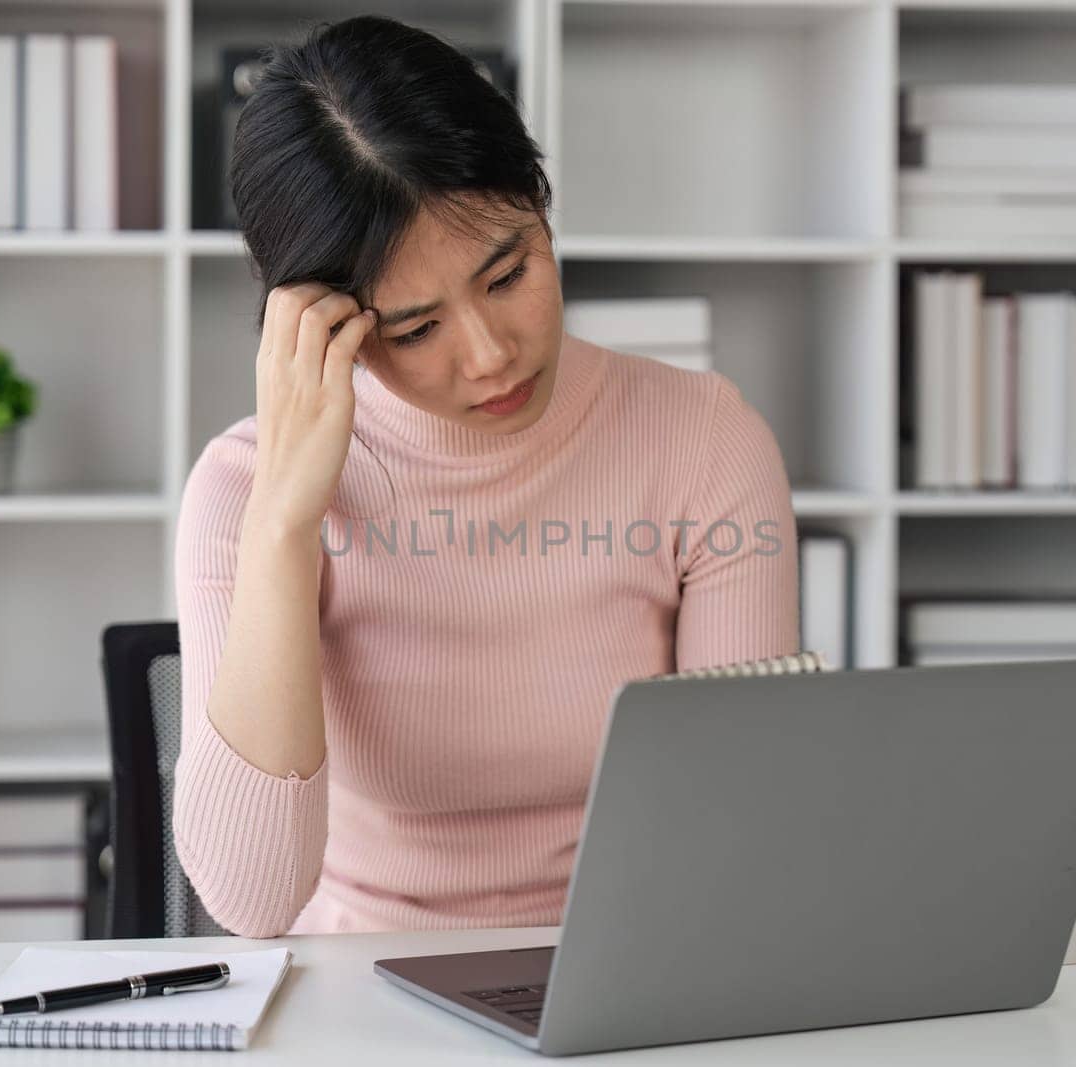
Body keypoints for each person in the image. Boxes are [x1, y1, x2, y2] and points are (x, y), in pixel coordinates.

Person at [172, 14, 799, 938]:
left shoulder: (705, 441)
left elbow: (741, 833)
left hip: (630, 957)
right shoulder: (243, 492)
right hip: (361, 987)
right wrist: (283, 525)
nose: (490, 355)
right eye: (416, 329)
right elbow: (252, 902)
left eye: (509, 274)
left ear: (541, 208)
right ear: (319, 324)